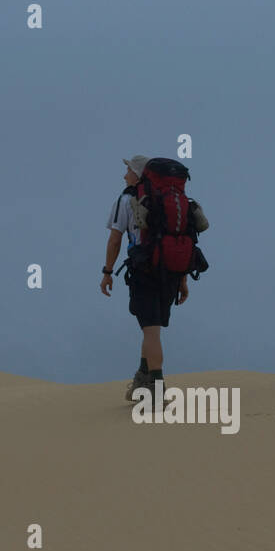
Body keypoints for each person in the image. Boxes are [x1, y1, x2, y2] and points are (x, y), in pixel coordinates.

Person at [100, 155, 190, 401]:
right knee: (151, 329)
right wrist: (182, 281)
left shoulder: (127, 200)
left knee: (151, 333)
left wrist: (107, 272)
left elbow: (115, 239)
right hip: (170, 274)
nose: (124, 174)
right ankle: (142, 382)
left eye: (128, 169)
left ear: (138, 174)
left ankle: (157, 392)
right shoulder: (168, 201)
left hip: (145, 272)